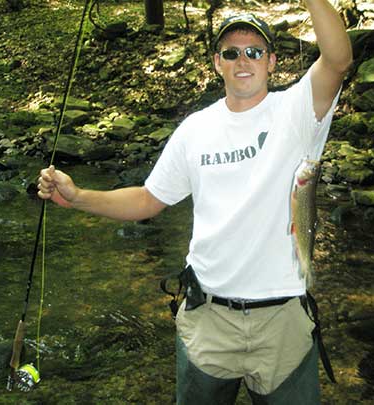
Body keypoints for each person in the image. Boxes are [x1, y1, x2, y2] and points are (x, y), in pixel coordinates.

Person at [37, 1, 351, 403]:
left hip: (283, 320)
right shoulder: (194, 129)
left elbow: (338, 59)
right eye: (231, 52)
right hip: (207, 317)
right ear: (217, 63)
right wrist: (80, 197)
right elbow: (149, 199)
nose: (243, 61)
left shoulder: (296, 111)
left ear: (272, 62)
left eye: (254, 52)